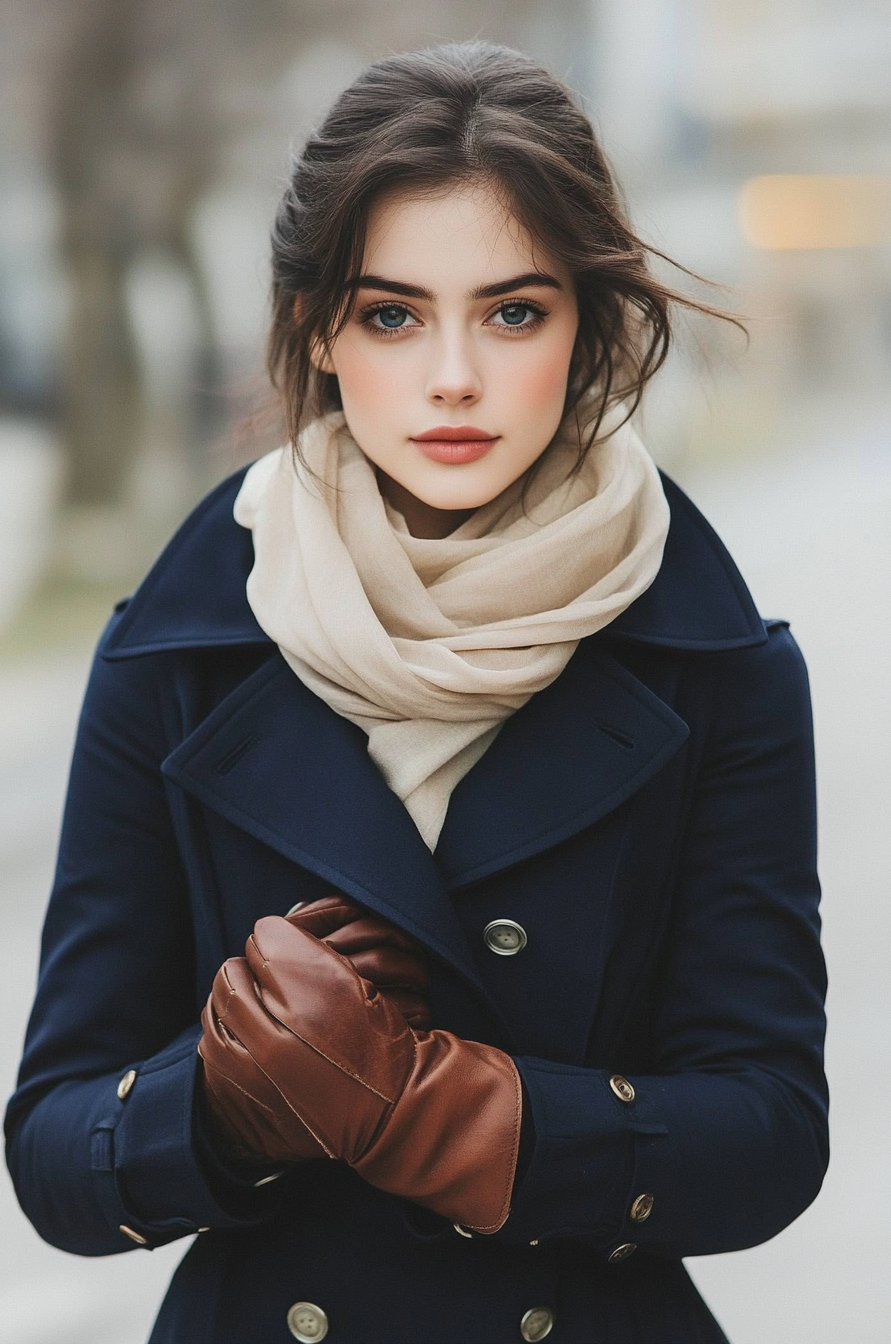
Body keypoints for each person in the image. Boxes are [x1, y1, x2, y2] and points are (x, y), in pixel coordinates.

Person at [5, 41, 827, 1344]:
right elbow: (53, 1152)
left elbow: (773, 1134)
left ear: (588, 322)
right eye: (393, 314)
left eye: (513, 312)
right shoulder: (178, 651)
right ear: (316, 329)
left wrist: (436, 1111)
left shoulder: (714, 666)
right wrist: (225, 1100)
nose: (454, 377)